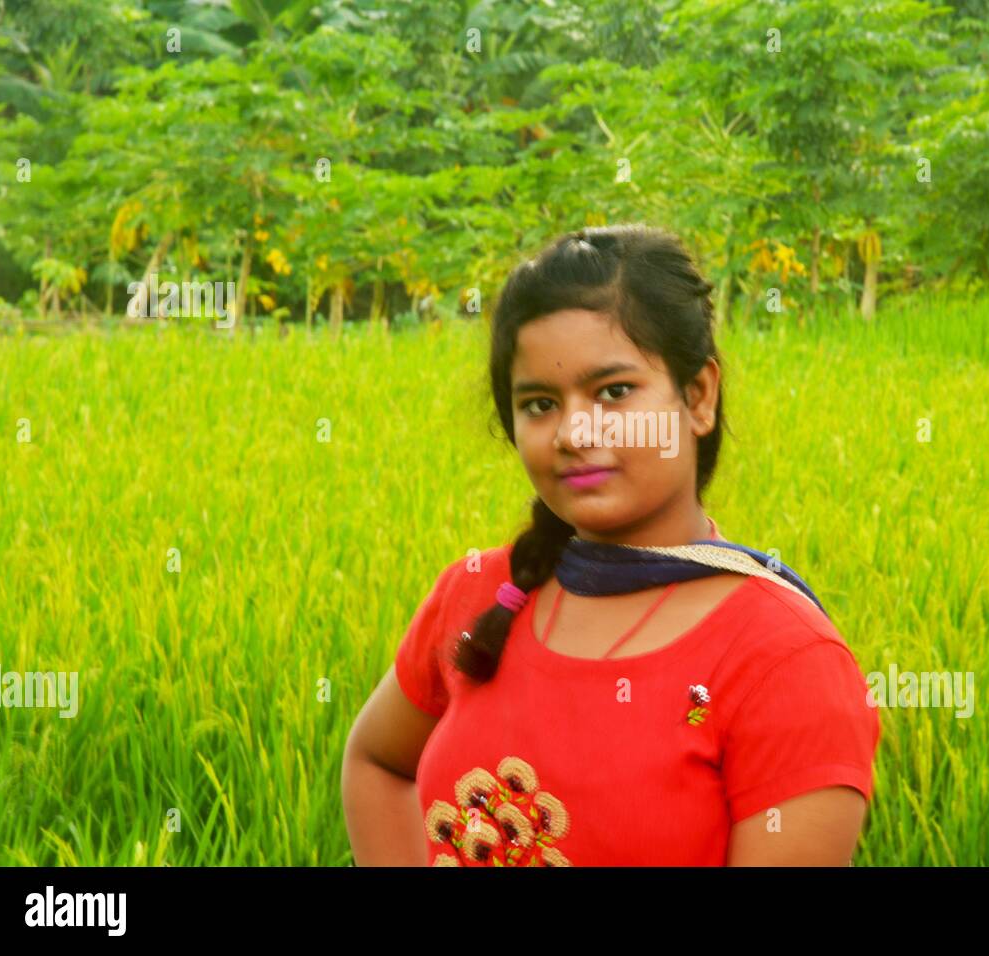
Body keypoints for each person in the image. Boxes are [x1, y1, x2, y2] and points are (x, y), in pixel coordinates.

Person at [342, 223, 879, 866]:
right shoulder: (480, 595)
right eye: (539, 404)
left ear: (698, 396)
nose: (572, 432)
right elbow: (376, 760)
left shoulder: (783, 663)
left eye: (613, 393)